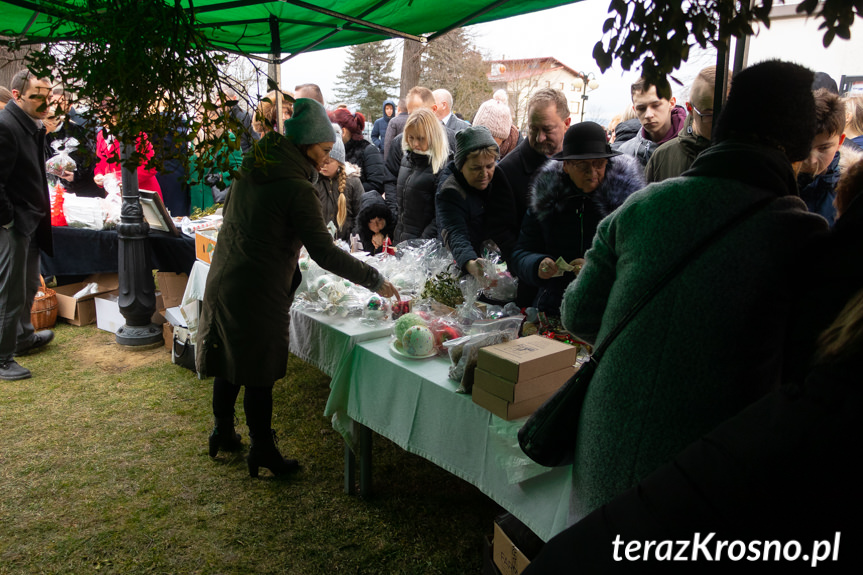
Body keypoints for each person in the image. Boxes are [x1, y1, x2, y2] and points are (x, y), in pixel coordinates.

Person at [558, 60, 828, 522]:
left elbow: (577, 314)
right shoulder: (803, 238)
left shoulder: (644, 204)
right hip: (701, 475)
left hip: (605, 443)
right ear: (794, 153)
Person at [524, 290, 863, 574]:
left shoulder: (808, 417)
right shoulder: (801, 233)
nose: (834, 204)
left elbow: (579, 311)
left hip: (631, 447)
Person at [197, 98, 399, 478]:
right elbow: (324, 253)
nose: (324, 159)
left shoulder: (255, 164)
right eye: (323, 150)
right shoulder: (295, 186)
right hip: (258, 286)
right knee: (258, 370)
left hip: (226, 274)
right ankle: (262, 449)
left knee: (229, 357)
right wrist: (374, 279)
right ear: (306, 145)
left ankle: (223, 431)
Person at [510, 122, 644, 314]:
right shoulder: (545, 201)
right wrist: (536, 264)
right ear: (566, 166)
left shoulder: (624, 205)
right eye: (583, 166)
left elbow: (636, 260)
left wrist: (594, 268)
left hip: (607, 308)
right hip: (554, 306)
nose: (592, 173)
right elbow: (521, 253)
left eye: (598, 164)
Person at [0, 70, 55, 381]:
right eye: (37, 95)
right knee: (9, 291)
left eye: (47, 95)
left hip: (31, 220)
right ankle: (2, 358)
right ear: (17, 95)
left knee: (28, 286)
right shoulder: (6, 126)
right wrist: (8, 219)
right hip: (13, 224)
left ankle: (22, 338)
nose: (45, 102)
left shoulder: (31, 126)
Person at [436, 125, 518, 279]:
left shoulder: (499, 177)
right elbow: (455, 231)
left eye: (489, 166)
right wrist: (470, 262)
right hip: (464, 265)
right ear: (461, 167)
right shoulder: (450, 190)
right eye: (476, 168)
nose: (484, 174)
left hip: (497, 263)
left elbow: (507, 220)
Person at [497, 88, 571, 225]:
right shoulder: (507, 171)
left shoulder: (581, 163)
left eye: (547, 129)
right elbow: (502, 232)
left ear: (566, 123)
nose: (540, 138)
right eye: (533, 129)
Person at [645, 66, 728, 182]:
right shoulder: (662, 158)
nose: (722, 122)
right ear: (690, 109)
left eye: (729, 113)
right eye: (710, 115)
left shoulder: (747, 155)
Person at [385, 108, 449, 242]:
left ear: (433, 136)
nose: (415, 144)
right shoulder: (406, 159)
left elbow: (441, 217)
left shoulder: (443, 167)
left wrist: (419, 244)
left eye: (420, 138)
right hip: (402, 242)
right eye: (411, 137)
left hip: (423, 249)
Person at [797, 88, 851, 224]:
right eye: (804, 146)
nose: (812, 160)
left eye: (824, 148)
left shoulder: (852, 191)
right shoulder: (771, 182)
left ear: (840, 142)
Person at [616, 76, 687, 166]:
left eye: (656, 105)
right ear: (634, 110)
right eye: (641, 108)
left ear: (671, 103)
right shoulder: (624, 155)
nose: (648, 115)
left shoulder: (694, 146)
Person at [313, 133, 362, 242]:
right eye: (320, 159)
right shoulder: (312, 182)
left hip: (346, 244)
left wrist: (352, 239)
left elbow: (360, 215)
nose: (324, 164)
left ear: (339, 162)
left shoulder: (353, 182)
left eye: (329, 161)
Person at [329, 108, 386, 194]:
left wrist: (344, 189)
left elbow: (377, 184)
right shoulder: (333, 150)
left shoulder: (368, 150)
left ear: (343, 132)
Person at [354, 190, 394, 255]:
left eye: (379, 220)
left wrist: (384, 237)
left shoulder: (395, 231)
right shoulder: (357, 237)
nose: (376, 225)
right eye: (371, 221)